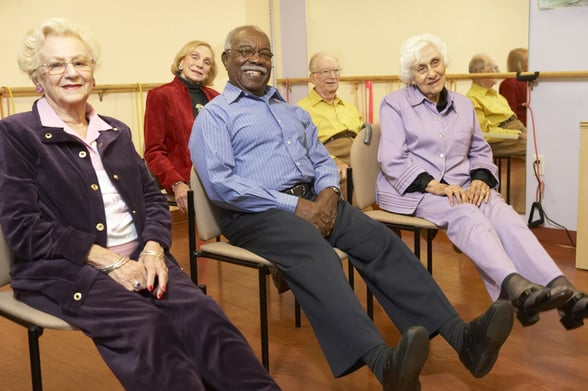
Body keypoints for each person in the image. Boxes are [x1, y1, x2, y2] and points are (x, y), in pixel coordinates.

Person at [190, 25, 515, 391]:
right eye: (246, 51)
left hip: (316, 201)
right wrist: (296, 205)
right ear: (227, 59)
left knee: (380, 239)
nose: (256, 60)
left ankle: (464, 340)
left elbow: (322, 160)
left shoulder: (290, 111)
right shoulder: (214, 116)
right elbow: (222, 184)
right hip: (255, 213)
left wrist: (329, 193)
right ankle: (382, 364)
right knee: (318, 256)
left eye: (264, 54)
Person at [0, 18, 279, 390]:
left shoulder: (114, 131)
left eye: (80, 63)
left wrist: (152, 248)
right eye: (56, 65)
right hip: (63, 270)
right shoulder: (17, 134)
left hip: (140, 259)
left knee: (204, 315)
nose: (71, 73)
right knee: (149, 329)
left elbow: (151, 198)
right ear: (38, 76)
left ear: (93, 73)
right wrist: (110, 260)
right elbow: (23, 227)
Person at [377, 33, 588, 332]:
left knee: (506, 216)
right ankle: (517, 291)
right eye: (421, 68)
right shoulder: (394, 104)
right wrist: (435, 185)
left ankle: (563, 293)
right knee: (467, 215)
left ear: (444, 64)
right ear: (410, 75)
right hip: (414, 189)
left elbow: (479, 151)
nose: (431, 72)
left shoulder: (463, 106)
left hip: (461, 186)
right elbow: (392, 159)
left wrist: (479, 179)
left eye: (435, 63)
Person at [144, 40, 220, 213]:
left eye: (207, 62)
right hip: (185, 178)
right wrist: (176, 183)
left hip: (218, 175)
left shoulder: (217, 98)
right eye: (195, 57)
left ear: (210, 71)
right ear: (181, 61)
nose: (200, 64)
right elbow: (153, 151)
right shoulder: (160, 96)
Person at [297, 52, 363, 195]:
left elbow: (364, 135)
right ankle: (356, 216)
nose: (332, 76)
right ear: (312, 78)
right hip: (328, 153)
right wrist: (332, 160)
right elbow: (303, 146)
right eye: (325, 71)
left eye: (336, 70)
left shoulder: (349, 107)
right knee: (343, 176)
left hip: (358, 151)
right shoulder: (300, 109)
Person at [466, 53, 527, 158]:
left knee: (546, 141)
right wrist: (515, 134)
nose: (499, 72)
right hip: (500, 138)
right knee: (537, 147)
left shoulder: (495, 94)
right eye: (495, 68)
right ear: (480, 72)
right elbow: (484, 133)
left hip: (516, 130)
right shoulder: (472, 99)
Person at [499, 48, 529, 127]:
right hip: (522, 128)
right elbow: (510, 113)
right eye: (528, 60)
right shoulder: (509, 84)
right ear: (519, 65)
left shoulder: (528, 81)